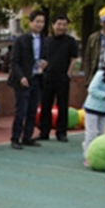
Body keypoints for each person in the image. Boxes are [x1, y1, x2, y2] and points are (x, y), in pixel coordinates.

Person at [8, 10, 48, 149]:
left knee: (32, 110)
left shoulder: (44, 39)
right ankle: (15, 137)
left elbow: (45, 57)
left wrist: (45, 63)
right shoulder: (21, 40)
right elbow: (14, 61)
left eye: (42, 22)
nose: (39, 24)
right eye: (37, 21)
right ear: (30, 22)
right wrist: (21, 77)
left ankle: (27, 136)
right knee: (21, 110)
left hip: (37, 77)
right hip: (23, 79)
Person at [38, 14, 80, 142]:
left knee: (63, 105)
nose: (61, 27)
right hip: (47, 76)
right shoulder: (46, 41)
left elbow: (74, 60)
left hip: (62, 76)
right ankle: (44, 131)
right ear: (53, 25)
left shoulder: (71, 41)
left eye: (64, 24)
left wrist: (69, 74)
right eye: (59, 24)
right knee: (45, 105)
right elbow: (41, 59)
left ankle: (61, 132)